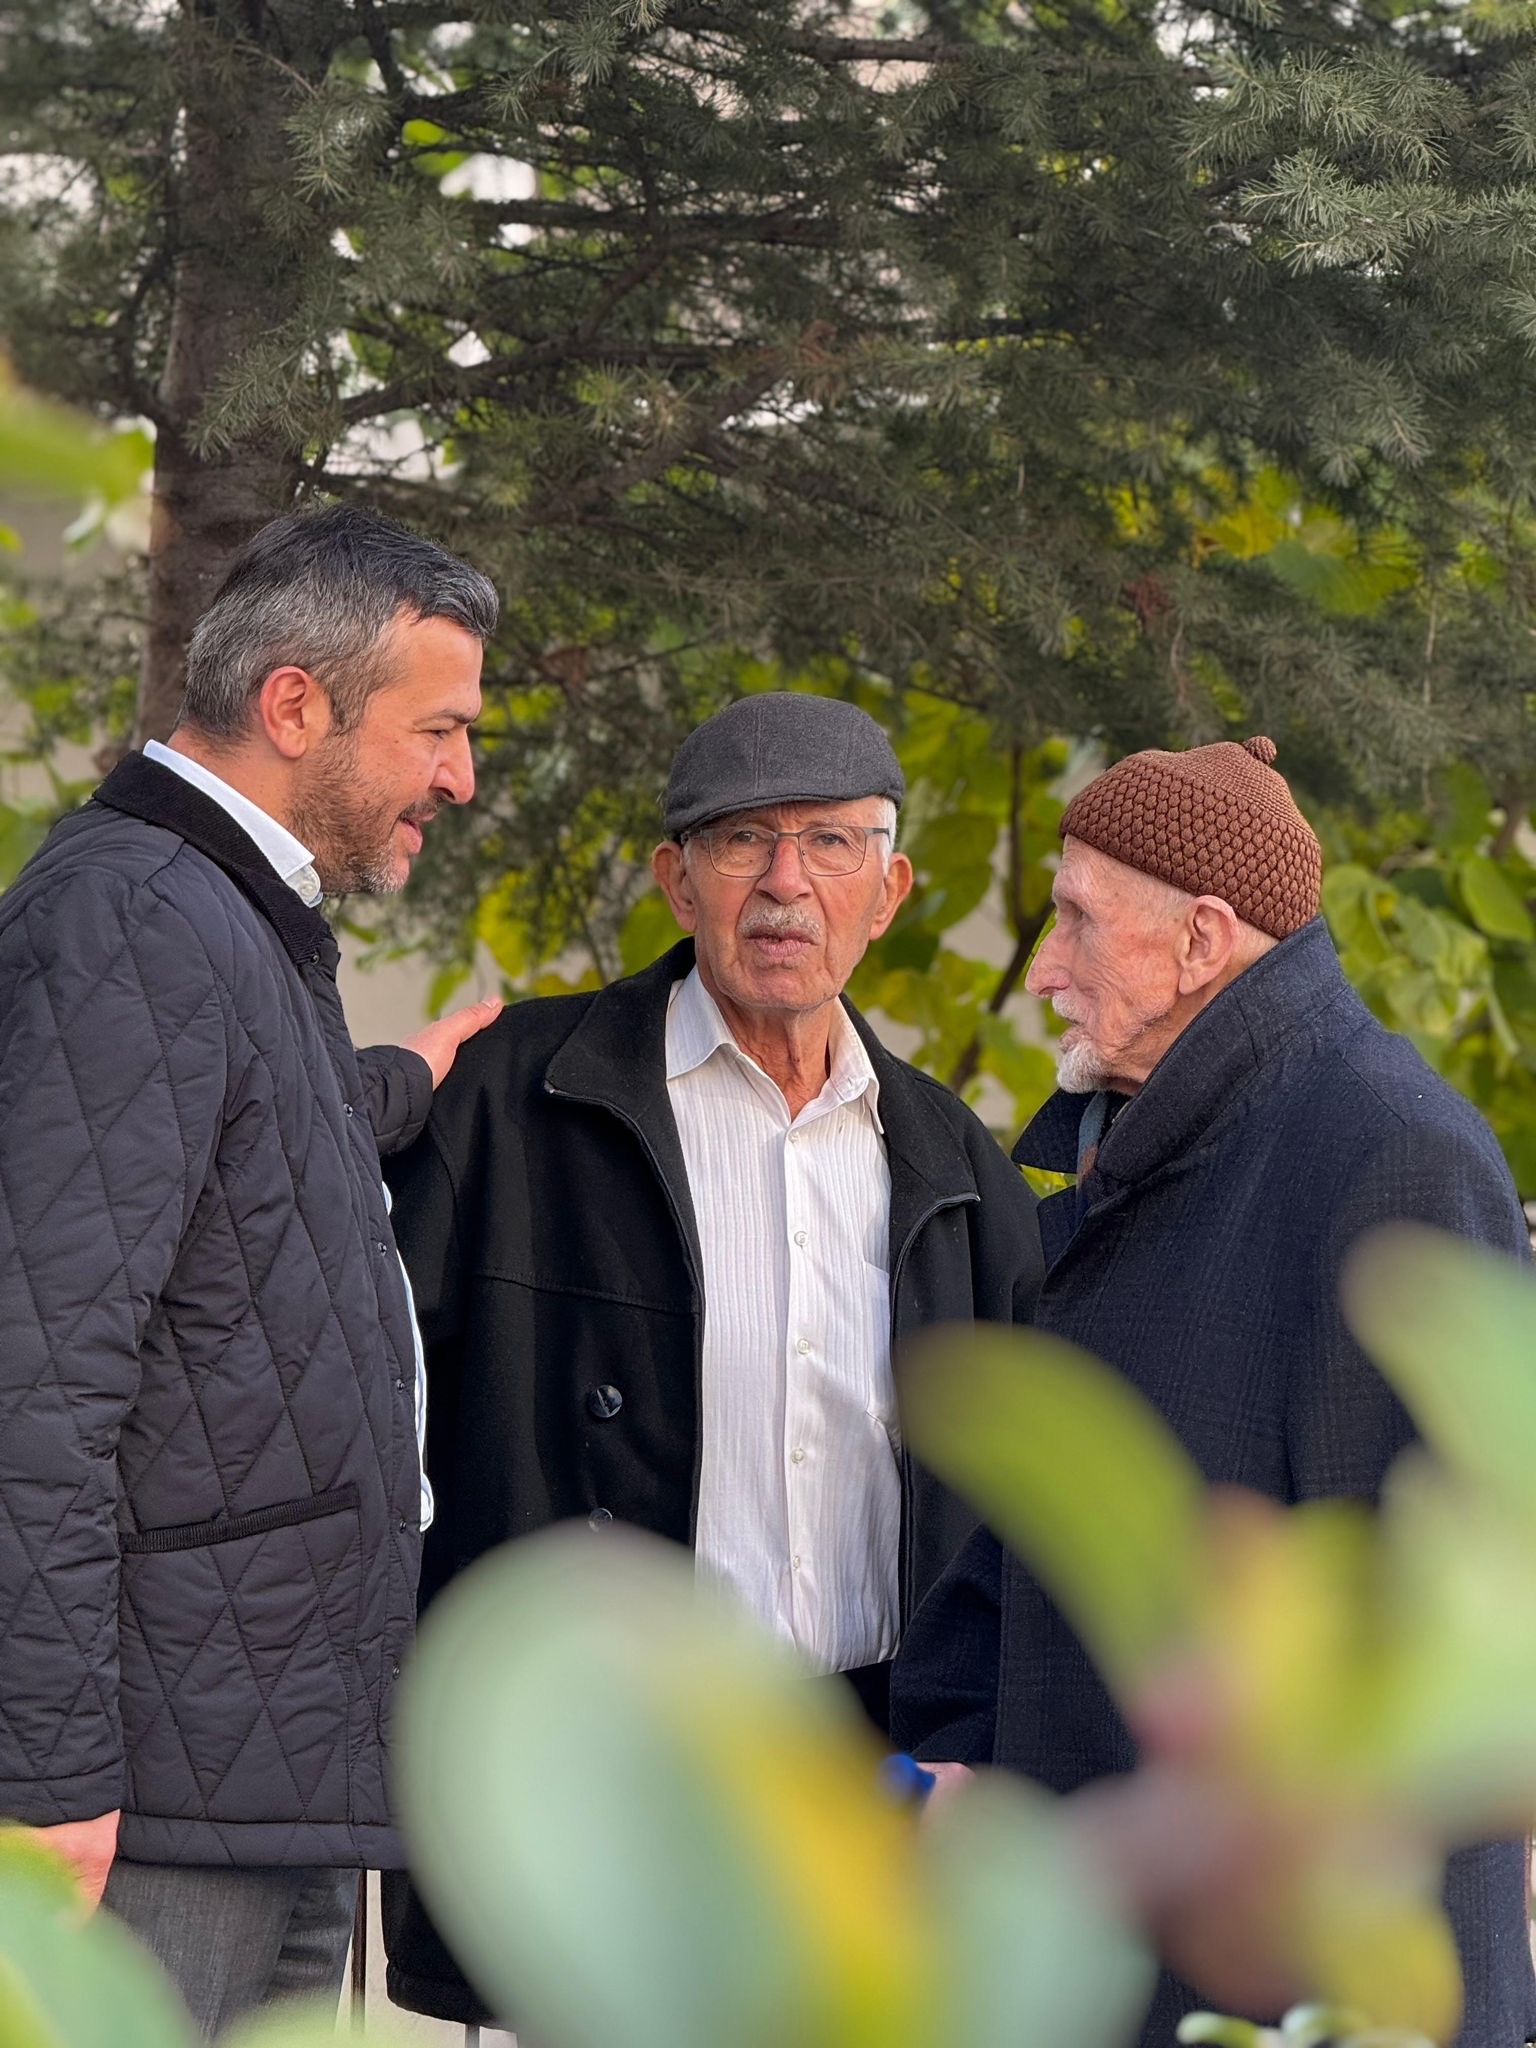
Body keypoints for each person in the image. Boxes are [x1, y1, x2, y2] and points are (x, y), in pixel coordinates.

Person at [380, 690, 1044, 2026]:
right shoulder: (513, 1100)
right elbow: (356, 1404)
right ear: (677, 882)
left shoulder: (958, 1167)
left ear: (892, 888)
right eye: (742, 840)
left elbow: (1008, 1520)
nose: (786, 883)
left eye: (832, 844)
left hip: (864, 1799)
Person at [891, 734, 1536, 2048]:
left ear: (1201, 940)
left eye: (1076, 923)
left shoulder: (1390, 1155)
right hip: (1112, 1940)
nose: (1046, 969)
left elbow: (1433, 1652)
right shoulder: (1148, 1144)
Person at [0, 505, 505, 2037]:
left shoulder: (216, 917)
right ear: (297, 705)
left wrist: (408, 1078)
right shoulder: (139, 918)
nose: (459, 778)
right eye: (439, 730)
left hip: (246, 1772)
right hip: (142, 1801)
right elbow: (33, 1374)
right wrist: (47, 1775)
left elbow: (247, 1152)